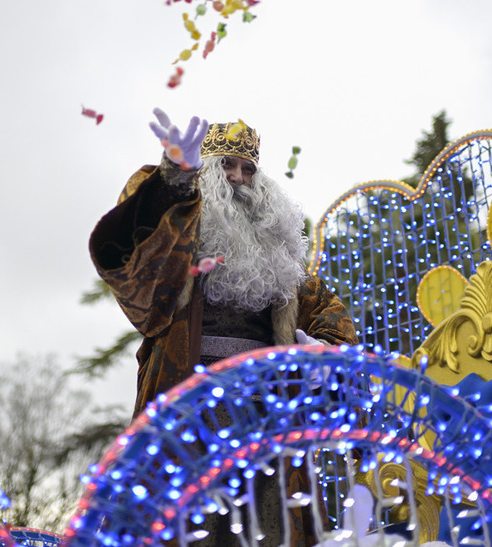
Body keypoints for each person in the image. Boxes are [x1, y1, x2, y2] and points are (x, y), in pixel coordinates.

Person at [90, 109, 358, 545]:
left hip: (265, 423)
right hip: (189, 415)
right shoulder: (176, 244)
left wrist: (322, 348)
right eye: (226, 165)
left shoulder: (283, 265)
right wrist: (173, 179)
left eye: (248, 168)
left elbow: (332, 317)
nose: (238, 177)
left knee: (263, 532)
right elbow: (130, 254)